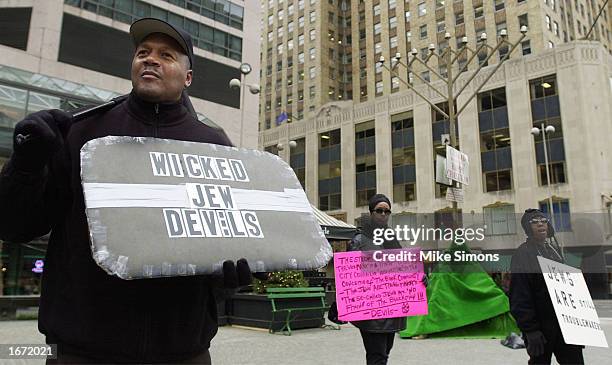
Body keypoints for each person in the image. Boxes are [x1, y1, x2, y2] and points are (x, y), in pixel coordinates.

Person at [0, 18, 251, 364]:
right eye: (143, 52)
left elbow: (229, 237)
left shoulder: (214, 147)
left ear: (187, 77)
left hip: (183, 352)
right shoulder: (81, 132)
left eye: (166, 55)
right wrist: (25, 165)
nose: (150, 59)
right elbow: (15, 227)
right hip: (81, 352)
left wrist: (227, 280)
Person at [509, 209, 584, 365]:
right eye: (534, 222)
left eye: (543, 220)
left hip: (565, 324)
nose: (540, 224)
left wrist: (578, 324)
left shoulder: (554, 251)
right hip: (541, 327)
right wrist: (530, 330)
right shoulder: (523, 254)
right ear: (528, 229)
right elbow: (519, 295)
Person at [347, 194, 406, 365]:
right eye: (379, 210)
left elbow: (404, 267)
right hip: (370, 311)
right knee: (377, 357)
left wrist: (419, 278)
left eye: (387, 211)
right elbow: (349, 274)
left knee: (385, 353)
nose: (383, 214)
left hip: (391, 309)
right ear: (371, 213)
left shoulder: (391, 238)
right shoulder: (359, 240)